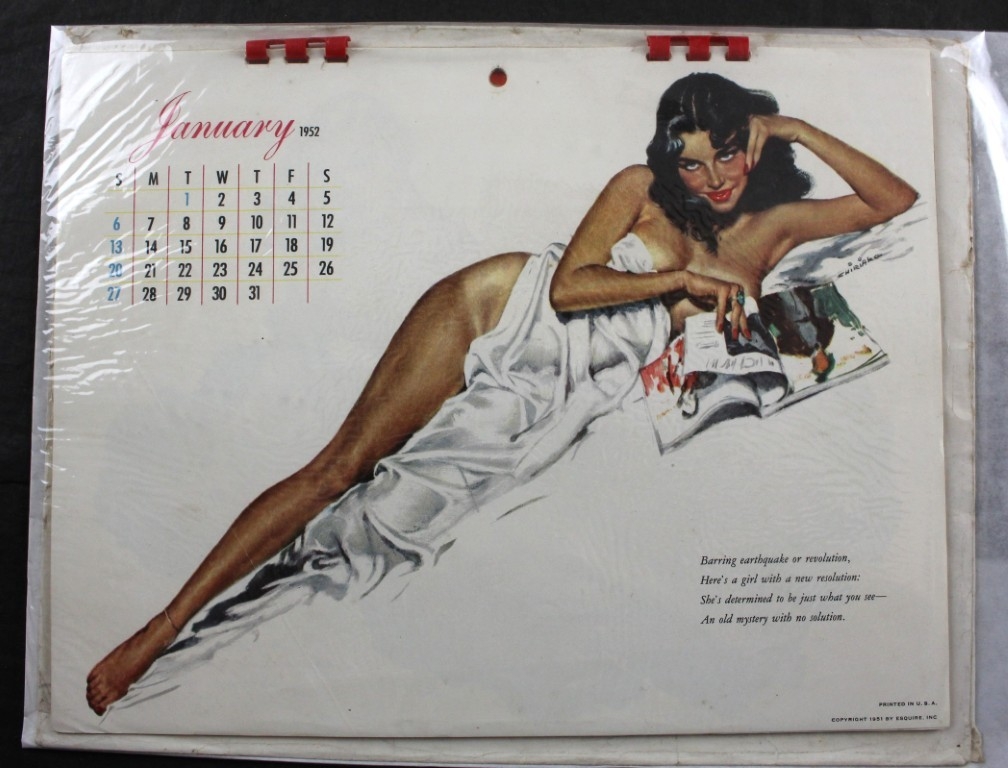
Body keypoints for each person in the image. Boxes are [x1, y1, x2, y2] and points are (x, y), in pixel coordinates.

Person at [86, 73, 917, 715]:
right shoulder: (640, 186)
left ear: (752, 142)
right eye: (692, 161)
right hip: (496, 309)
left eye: (728, 153)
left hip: (553, 385)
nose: (714, 177)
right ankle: (156, 633)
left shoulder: (771, 230)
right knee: (339, 467)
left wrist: (795, 127)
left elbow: (895, 200)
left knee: (391, 506)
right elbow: (567, 287)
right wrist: (680, 281)